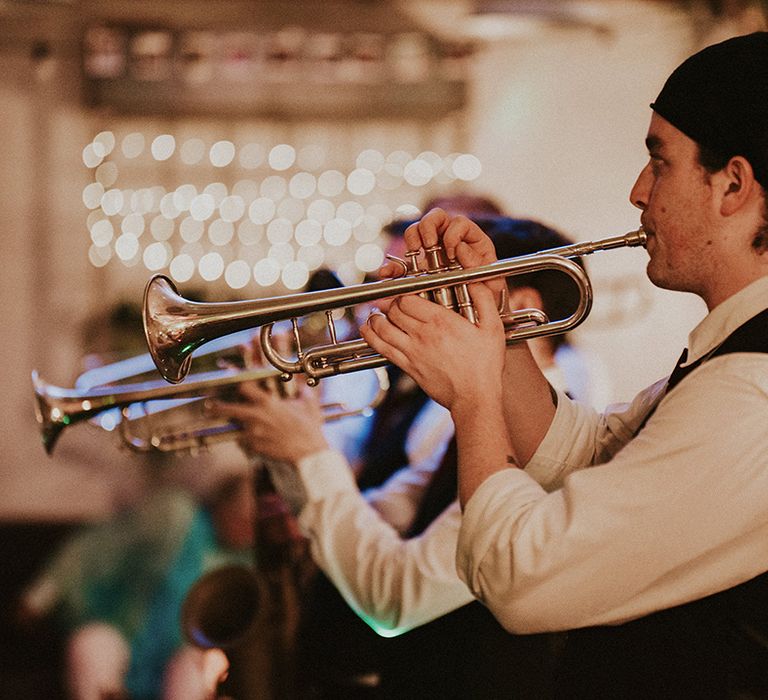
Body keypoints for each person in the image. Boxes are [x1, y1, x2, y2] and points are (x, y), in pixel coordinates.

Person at [360, 32, 768, 697]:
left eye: (658, 163)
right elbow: (595, 451)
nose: (638, 193)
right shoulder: (737, 351)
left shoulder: (751, 391)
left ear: (733, 185)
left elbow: (522, 579)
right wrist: (494, 321)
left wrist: (473, 399)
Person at [212, 218, 592, 698]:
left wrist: (308, 454)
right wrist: (288, 441)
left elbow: (395, 599)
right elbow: (375, 518)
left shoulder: (546, 444)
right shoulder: (441, 415)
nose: (396, 299)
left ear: (517, 308)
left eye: (435, 284)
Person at [18, 473, 256, 700]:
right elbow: (93, 548)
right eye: (242, 520)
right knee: (90, 645)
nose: (247, 531)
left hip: (184, 656)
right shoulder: (173, 514)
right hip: (122, 630)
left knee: (199, 667)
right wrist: (38, 597)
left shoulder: (251, 560)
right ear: (223, 505)